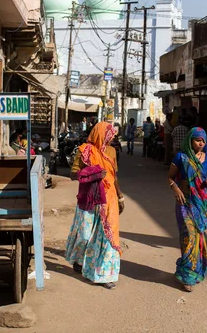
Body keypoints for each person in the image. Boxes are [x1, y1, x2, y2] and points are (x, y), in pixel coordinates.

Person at [65, 122, 125, 289]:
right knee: (85, 235)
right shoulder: (84, 150)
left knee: (107, 237)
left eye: (112, 135)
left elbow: (114, 176)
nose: (112, 137)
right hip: (89, 198)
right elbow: (72, 175)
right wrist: (94, 173)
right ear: (99, 134)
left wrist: (120, 197)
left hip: (109, 198)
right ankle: (78, 259)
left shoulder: (112, 151)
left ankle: (104, 274)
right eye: (109, 134)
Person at [167, 128, 207, 292]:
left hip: (202, 205)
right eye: (198, 140)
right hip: (185, 203)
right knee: (189, 238)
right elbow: (170, 177)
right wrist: (176, 189)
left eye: (203, 141)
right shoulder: (181, 157)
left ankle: (193, 271)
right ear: (190, 140)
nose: (201, 143)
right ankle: (187, 277)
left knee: (199, 240)